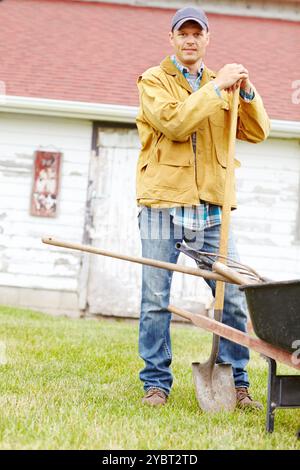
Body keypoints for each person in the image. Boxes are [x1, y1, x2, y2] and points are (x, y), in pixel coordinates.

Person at [136, 6, 270, 408]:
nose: (190, 40)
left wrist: (246, 92)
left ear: (207, 39)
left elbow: (258, 131)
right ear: (172, 39)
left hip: (211, 207)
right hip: (163, 203)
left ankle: (238, 381)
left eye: (198, 33)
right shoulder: (154, 80)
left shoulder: (224, 84)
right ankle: (156, 385)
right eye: (183, 33)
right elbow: (175, 123)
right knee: (155, 299)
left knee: (229, 296)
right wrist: (216, 90)